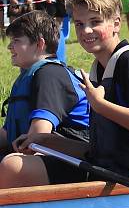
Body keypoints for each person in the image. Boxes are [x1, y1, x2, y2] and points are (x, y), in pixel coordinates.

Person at [1, 0, 129, 187]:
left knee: (14, 168)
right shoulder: (100, 67)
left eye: (95, 22)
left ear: (117, 23)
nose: (86, 31)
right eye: (79, 24)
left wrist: (100, 105)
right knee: (14, 164)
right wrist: (46, 140)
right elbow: (98, 150)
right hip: (114, 165)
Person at [0, 11, 89, 162]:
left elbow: (38, 137)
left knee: (11, 165)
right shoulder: (28, 76)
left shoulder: (50, 75)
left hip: (73, 162)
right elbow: (7, 135)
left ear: (39, 44)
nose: (9, 47)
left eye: (16, 40)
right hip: (37, 154)